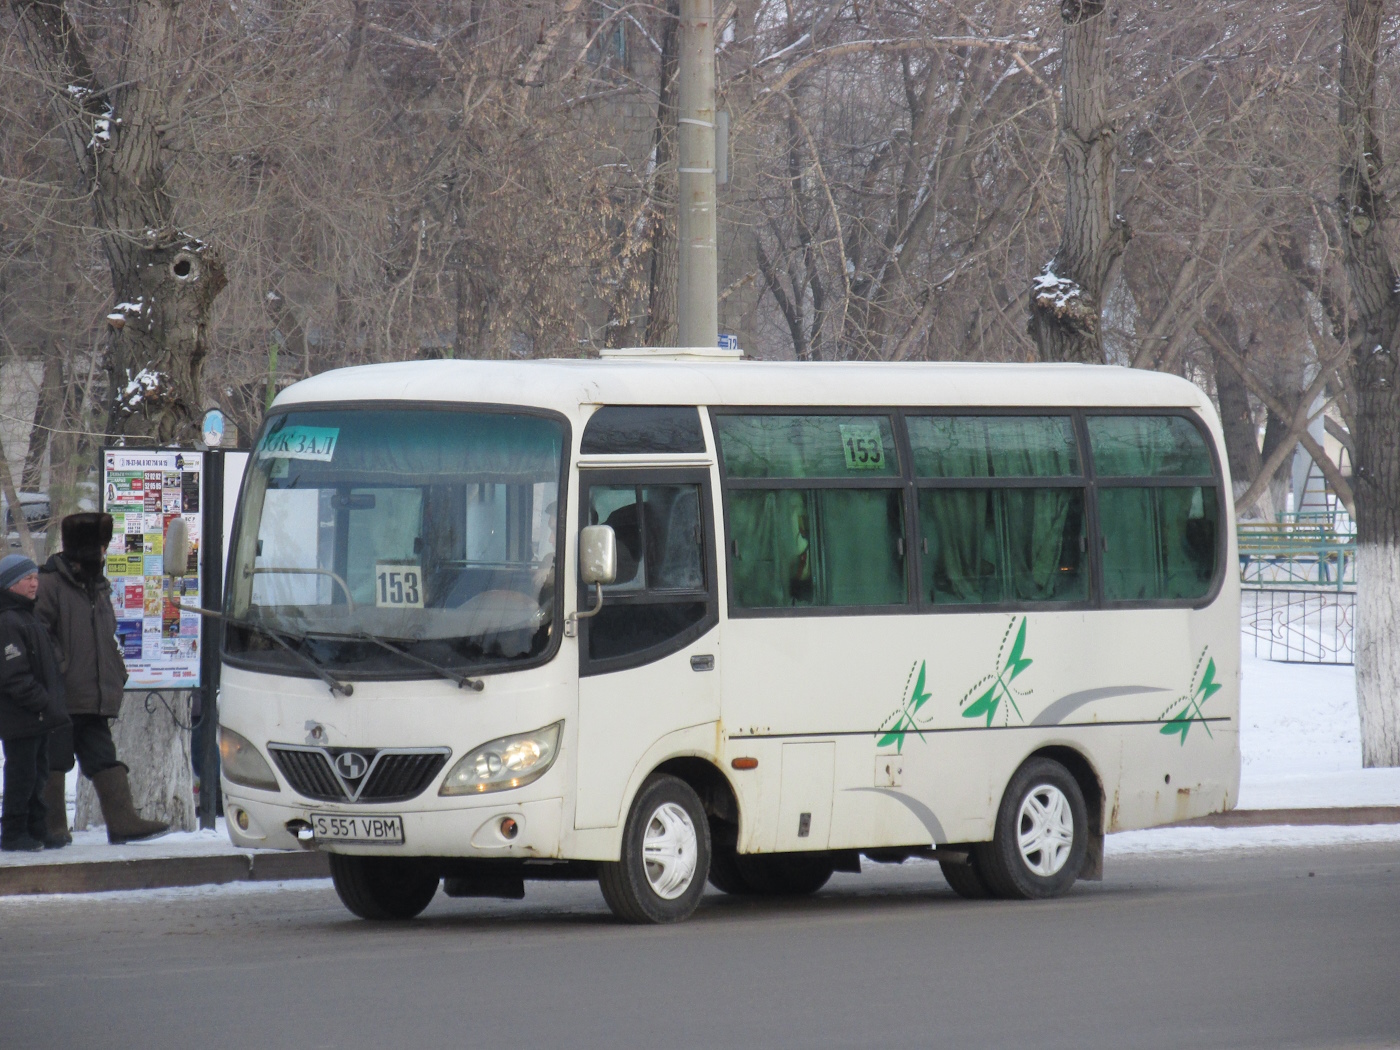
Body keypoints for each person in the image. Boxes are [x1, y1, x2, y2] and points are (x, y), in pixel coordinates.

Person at [37, 513, 168, 845]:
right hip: (62, 696)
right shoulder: (50, 583)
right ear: (85, 550)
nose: (104, 553)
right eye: (100, 547)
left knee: (103, 758)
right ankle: (52, 828)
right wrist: (61, 669)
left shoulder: (97, 586)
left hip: (93, 696)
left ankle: (122, 822)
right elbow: (40, 634)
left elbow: (105, 636)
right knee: (55, 761)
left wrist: (116, 670)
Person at [0, 554, 71, 851]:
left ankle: (36, 827)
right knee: (22, 774)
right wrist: (44, 702)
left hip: (37, 716)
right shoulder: (8, 620)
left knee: (38, 773)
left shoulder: (27, 615)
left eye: (34, 578)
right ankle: (14, 832)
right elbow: (14, 676)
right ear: (10, 584)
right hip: (21, 716)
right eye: (26, 579)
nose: (34, 583)